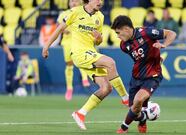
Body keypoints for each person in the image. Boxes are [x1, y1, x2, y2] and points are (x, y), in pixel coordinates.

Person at [42, 0, 129, 130]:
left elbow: (98, 41)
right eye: (97, 0)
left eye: (101, 0)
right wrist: (46, 47)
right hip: (79, 53)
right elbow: (59, 29)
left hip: (90, 53)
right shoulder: (75, 12)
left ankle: (80, 113)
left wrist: (98, 38)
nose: (100, 2)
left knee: (106, 88)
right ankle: (126, 98)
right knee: (110, 62)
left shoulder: (100, 17)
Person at [111, 15, 176, 133]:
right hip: (136, 78)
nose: (118, 36)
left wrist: (164, 45)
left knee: (138, 101)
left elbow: (171, 33)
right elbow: (139, 57)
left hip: (152, 76)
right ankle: (144, 118)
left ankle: (123, 128)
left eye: (118, 33)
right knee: (135, 111)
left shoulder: (146, 32)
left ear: (126, 29)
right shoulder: (123, 46)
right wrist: (154, 56)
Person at [57, 0, 91, 101]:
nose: (73, 3)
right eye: (72, 1)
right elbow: (60, 27)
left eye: (76, 1)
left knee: (79, 60)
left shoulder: (83, 13)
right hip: (67, 42)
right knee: (69, 64)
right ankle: (69, 88)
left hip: (78, 40)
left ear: (80, 2)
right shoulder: (63, 14)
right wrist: (66, 29)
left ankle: (85, 79)